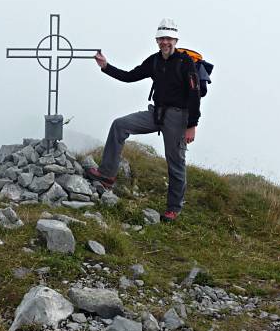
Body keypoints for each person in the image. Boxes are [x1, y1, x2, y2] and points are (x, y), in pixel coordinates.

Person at [86, 18, 201, 222]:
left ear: (175, 40)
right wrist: (106, 66)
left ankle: (173, 208)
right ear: (157, 40)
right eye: (161, 38)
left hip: (177, 117)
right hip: (156, 113)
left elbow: (194, 93)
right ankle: (106, 175)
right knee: (120, 125)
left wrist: (192, 125)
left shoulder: (186, 63)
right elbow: (130, 76)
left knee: (175, 161)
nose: (165, 42)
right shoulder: (154, 60)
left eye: (168, 39)